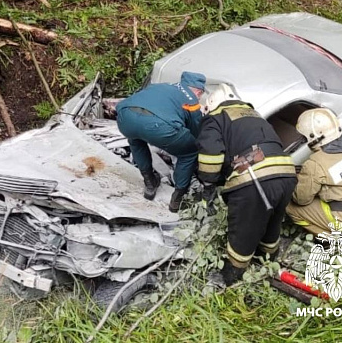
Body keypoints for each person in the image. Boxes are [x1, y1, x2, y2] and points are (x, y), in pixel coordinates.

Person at [196, 83, 297, 286]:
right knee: (272, 220)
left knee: (244, 230)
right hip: (287, 172)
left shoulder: (215, 118)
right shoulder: (252, 113)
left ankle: (232, 275)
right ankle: (267, 257)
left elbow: (210, 157)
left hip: (254, 178)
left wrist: (208, 183)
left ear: (210, 105)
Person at [116, 71, 206, 212]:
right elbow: (196, 132)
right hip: (159, 127)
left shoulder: (161, 86)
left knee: (135, 140)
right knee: (189, 152)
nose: (200, 98)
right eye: (201, 95)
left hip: (125, 116)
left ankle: (150, 183)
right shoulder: (191, 100)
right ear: (198, 91)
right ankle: (177, 199)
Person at [286, 108, 342, 234]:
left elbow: (301, 199)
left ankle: (330, 237)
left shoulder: (315, 163)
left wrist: (296, 180)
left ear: (312, 136)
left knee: (291, 207)